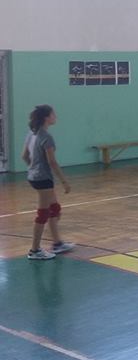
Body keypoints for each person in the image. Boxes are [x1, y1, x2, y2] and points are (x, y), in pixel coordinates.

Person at [21, 105, 74, 260]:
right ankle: (35, 250)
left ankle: (57, 243)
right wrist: (64, 181)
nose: (55, 117)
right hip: (42, 179)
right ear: (46, 117)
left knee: (54, 209)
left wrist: (32, 167)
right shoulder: (46, 137)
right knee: (43, 214)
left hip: (35, 176)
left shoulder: (32, 133)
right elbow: (52, 162)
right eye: (53, 114)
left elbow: (24, 156)